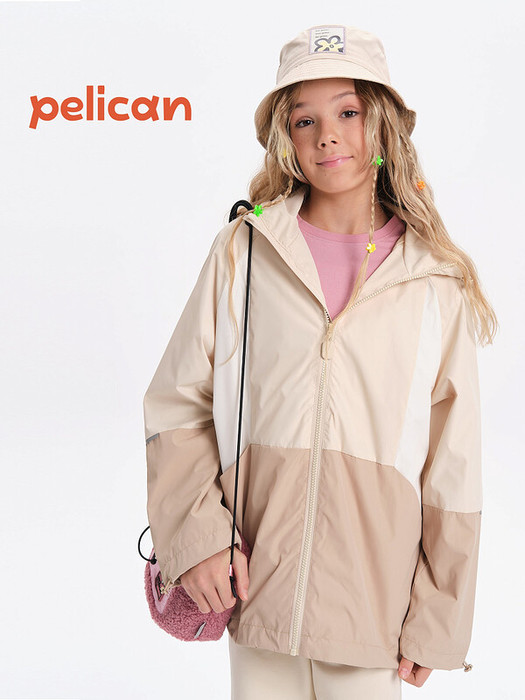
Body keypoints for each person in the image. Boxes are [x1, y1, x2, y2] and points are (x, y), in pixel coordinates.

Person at [143, 24, 498, 699]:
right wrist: (198, 536)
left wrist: (439, 618)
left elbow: (453, 468)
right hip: (255, 594)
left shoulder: (433, 282)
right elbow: (177, 402)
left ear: (382, 124)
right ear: (286, 137)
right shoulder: (244, 252)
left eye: (348, 112)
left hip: (372, 615)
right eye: (305, 119)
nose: (327, 135)